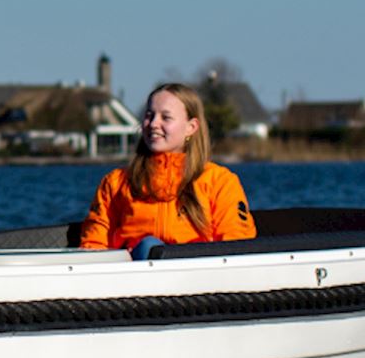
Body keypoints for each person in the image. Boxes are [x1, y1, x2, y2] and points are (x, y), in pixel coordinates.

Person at [79, 82, 256, 259]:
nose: (154, 123)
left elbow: (236, 244)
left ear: (191, 127)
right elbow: (94, 244)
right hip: (134, 277)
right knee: (149, 246)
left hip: (197, 278)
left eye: (166, 117)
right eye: (149, 115)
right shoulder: (116, 182)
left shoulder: (220, 182)